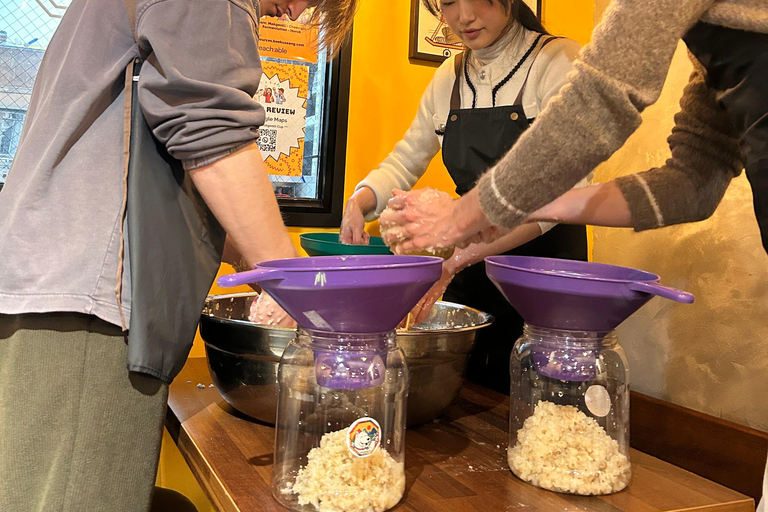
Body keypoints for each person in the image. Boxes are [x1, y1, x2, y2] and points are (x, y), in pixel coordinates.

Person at [378, 1, 767, 507]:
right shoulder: (716, 54)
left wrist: (464, 216)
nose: (462, 12)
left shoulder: (559, 55)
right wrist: (517, 211)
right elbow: (692, 182)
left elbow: (600, 100)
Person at [0, 0, 356, 510]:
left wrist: (261, 266)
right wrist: (301, 291)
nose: (296, 15)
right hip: (92, 294)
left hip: (49, 279)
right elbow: (210, 128)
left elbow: (174, 149)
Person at [340, 0, 590, 393]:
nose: (463, 16)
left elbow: (562, 192)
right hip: (469, 272)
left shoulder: (557, 61)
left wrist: (458, 257)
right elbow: (405, 160)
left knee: (540, 398)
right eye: (449, 2)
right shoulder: (449, 77)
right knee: (465, 393)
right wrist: (361, 200)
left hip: (545, 272)